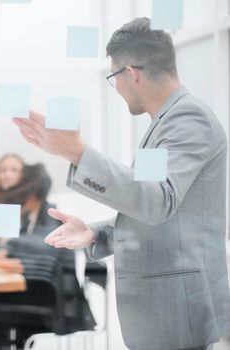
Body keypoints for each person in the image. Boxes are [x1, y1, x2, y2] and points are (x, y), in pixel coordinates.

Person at [13, 17, 230, 350]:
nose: (116, 88)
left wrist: (78, 153)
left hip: (181, 313)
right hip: (168, 312)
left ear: (132, 74)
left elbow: (157, 201)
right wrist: (96, 232)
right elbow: (153, 207)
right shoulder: (165, 123)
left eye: (114, 77)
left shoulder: (189, 119)